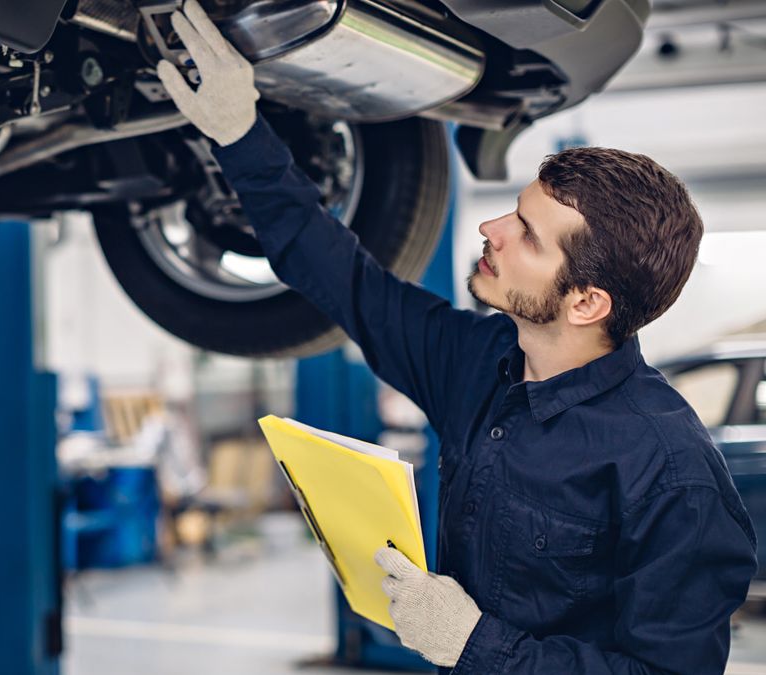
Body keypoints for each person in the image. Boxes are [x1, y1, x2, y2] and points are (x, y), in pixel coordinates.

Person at [154, 2, 759, 673]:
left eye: (527, 234)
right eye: (516, 211)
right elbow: (348, 282)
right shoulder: (480, 362)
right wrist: (243, 138)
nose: (492, 228)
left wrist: (476, 646)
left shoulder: (671, 472)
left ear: (587, 302)